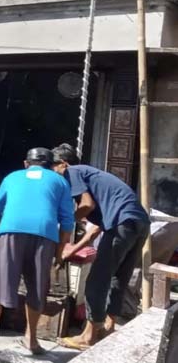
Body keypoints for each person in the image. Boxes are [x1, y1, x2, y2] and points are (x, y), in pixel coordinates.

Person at [0, 148, 75, 358]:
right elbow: (68, 220)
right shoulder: (60, 181)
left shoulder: (13, 177)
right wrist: (61, 249)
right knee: (37, 288)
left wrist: (3, 227)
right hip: (45, 234)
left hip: (11, 232)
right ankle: (32, 340)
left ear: (26, 164)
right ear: (52, 166)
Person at [52, 143, 151, 350]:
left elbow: (87, 205)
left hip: (122, 223)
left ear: (63, 164)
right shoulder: (94, 178)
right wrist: (73, 248)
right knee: (118, 278)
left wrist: (63, 223)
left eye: (53, 170)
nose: (54, 177)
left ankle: (88, 336)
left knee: (96, 280)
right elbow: (95, 230)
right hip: (139, 223)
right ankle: (109, 326)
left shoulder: (73, 172)